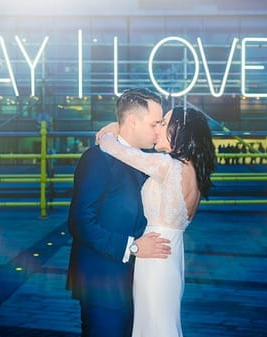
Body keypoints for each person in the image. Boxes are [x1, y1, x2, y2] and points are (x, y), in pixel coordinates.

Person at [96, 106, 217, 337]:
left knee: (155, 325)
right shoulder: (193, 171)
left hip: (155, 257)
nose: (157, 128)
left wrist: (113, 130)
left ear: (178, 130)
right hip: (170, 255)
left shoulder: (167, 166)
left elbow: (112, 148)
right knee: (161, 323)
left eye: (163, 123)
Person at [66, 88, 172, 337]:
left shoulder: (143, 159)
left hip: (133, 282)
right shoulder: (97, 159)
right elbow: (80, 222)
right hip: (102, 283)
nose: (158, 130)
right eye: (154, 124)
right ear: (133, 121)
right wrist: (133, 247)